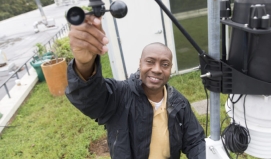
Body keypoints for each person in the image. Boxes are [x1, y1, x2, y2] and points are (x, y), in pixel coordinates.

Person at [65, 15, 206, 159]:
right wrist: (84, 64)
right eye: (150, 61)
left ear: (170, 68)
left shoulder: (179, 103)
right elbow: (89, 98)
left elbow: (195, 141)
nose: (157, 69)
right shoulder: (119, 95)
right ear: (140, 63)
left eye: (165, 64)